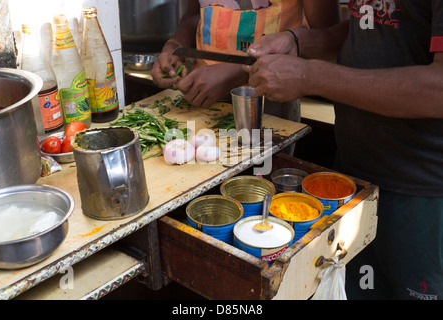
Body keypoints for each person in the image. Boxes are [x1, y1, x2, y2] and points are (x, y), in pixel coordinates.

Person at [243, 1, 443, 300]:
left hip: (423, 195)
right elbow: (368, 29)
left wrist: (312, 76)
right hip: (354, 177)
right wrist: (298, 40)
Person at [151, 0, 341, 154]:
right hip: (201, 97)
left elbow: (328, 41)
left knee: (258, 185)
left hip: (269, 102)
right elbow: (194, 13)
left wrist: (238, 73)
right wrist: (176, 44)